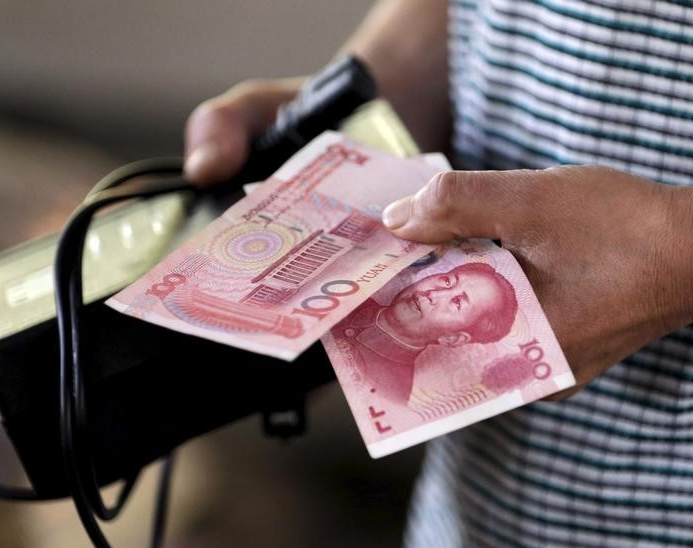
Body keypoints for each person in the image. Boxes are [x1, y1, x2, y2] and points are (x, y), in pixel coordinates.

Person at [183, 1, 693, 545]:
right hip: (471, 507)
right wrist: (383, 91)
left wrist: (674, 255)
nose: (443, 288)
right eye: (453, 286)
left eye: (455, 301)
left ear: (467, 336)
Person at [334, 262, 518, 403]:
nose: (434, 293)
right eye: (448, 281)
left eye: (456, 303)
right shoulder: (344, 292)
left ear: (452, 338)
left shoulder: (389, 392)